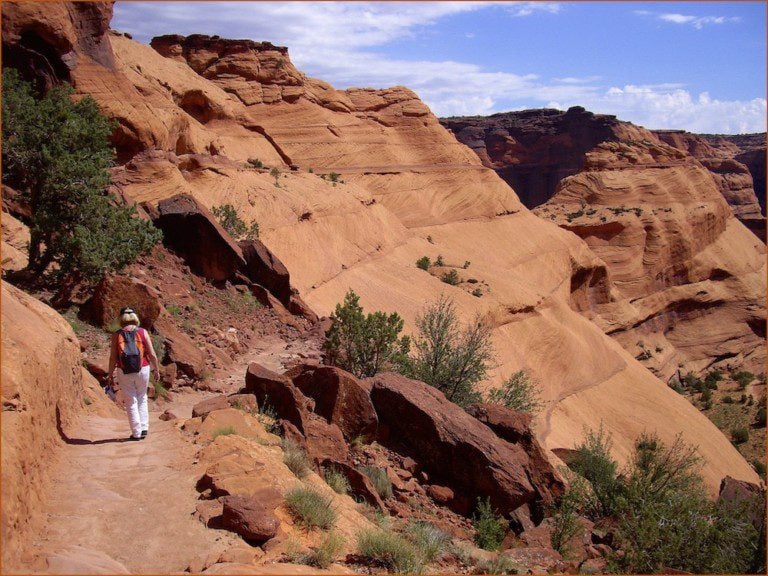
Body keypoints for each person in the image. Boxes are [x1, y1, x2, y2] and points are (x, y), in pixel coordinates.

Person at [108, 307, 160, 440]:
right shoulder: (142, 332)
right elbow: (152, 354)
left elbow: (113, 357)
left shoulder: (117, 334)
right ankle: (144, 428)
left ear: (121, 319)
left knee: (131, 400)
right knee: (142, 397)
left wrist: (110, 374)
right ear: (135, 318)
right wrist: (157, 370)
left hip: (123, 370)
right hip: (143, 368)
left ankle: (136, 433)